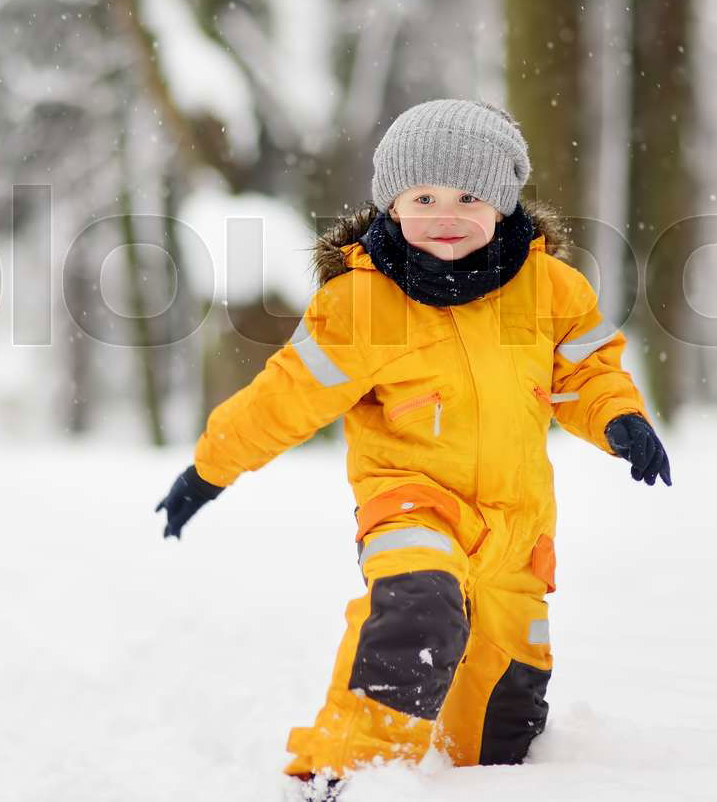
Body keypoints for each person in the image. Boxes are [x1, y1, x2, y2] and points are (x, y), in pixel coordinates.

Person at [155, 99, 670, 799]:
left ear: (502, 202)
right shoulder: (363, 306)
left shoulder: (550, 289)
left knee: (501, 732)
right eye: (423, 195)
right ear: (391, 204)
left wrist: (619, 419)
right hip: (412, 505)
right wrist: (210, 468)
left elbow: (584, 372)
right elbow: (284, 398)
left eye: (468, 195)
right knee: (416, 613)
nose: (445, 213)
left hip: (516, 536)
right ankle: (343, 772)